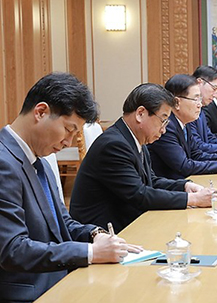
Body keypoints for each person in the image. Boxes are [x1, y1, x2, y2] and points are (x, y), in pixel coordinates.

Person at [0, 72, 140, 302]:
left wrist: (95, 235)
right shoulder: (4, 163)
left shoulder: (38, 161)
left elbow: (60, 222)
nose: (68, 142)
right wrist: (91, 253)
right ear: (41, 112)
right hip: (32, 291)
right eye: (68, 129)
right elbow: (13, 250)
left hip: (59, 278)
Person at [69, 83, 215, 234]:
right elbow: (139, 195)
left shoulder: (134, 138)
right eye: (163, 121)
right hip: (104, 234)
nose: (164, 130)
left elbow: (151, 181)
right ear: (140, 113)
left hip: (128, 223)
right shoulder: (114, 145)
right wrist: (193, 199)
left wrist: (184, 186)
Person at [148, 74, 217, 179]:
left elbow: (197, 154)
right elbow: (184, 166)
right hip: (171, 188)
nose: (199, 104)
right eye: (195, 99)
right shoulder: (167, 127)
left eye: (200, 99)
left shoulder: (184, 123)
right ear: (177, 102)